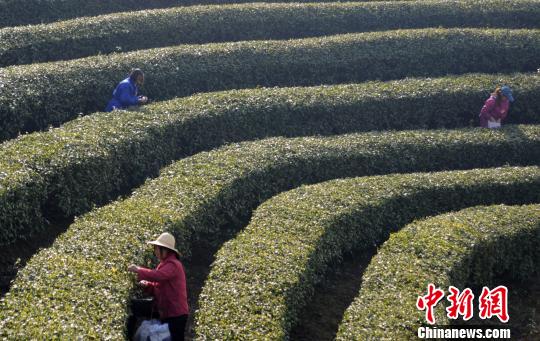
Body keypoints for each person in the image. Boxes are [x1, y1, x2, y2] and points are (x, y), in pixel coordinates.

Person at [128, 232, 189, 341]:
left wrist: (139, 270)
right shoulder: (164, 264)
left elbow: (159, 276)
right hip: (166, 310)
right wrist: (146, 285)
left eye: (157, 249)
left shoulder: (173, 264)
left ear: (165, 250)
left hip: (176, 313)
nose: (155, 252)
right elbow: (158, 287)